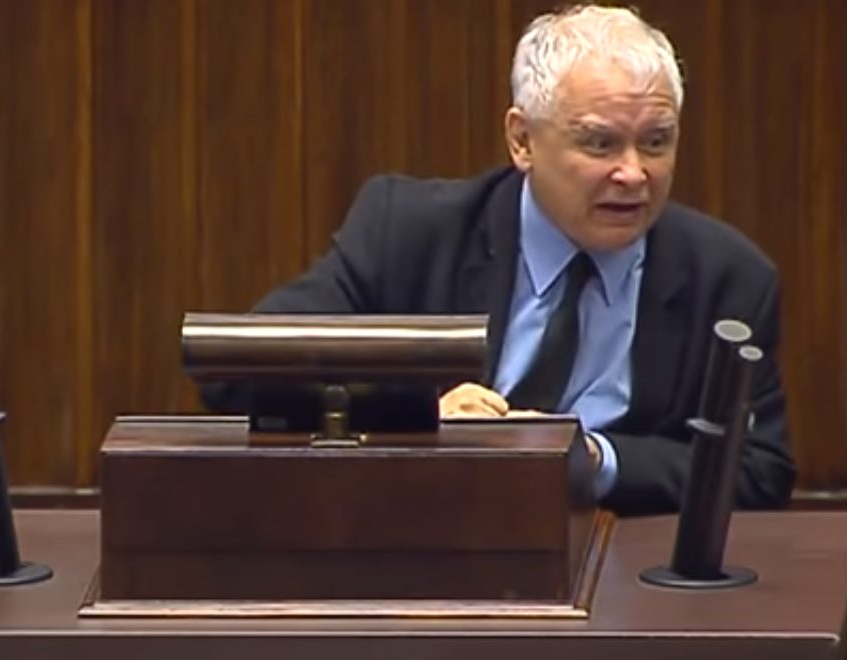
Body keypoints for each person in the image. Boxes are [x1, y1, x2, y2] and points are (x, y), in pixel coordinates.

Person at [198, 3, 796, 517]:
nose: (634, 173)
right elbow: (239, 372)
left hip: (621, 565)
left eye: (657, 142)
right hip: (420, 542)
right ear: (522, 140)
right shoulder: (408, 233)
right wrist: (421, 418)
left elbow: (760, 471)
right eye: (600, 143)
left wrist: (595, 459)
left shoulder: (727, 278)